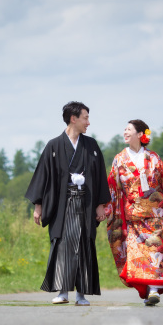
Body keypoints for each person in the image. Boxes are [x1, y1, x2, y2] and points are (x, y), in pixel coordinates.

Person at [25, 101, 111, 306]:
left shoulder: (91, 146)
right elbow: (42, 177)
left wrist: (101, 204)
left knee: (83, 246)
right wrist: (38, 206)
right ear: (73, 119)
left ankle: (81, 294)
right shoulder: (53, 145)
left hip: (85, 204)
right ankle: (62, 292)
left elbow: (99, 176)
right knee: (62, 245)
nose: (88, 122)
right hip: (62, 205)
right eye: (85, 118)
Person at [106, 119, 163, 306]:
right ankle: (148, 290)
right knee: (138, 254)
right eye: (125, 129)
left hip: (156, 215)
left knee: (155, 250)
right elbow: (112, 187)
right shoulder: (119, 159)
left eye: (129, 129)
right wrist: (103, 207)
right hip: (133, 216)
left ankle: (154, 290)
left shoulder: (154, 158)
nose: (125, 132)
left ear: (140, 134)